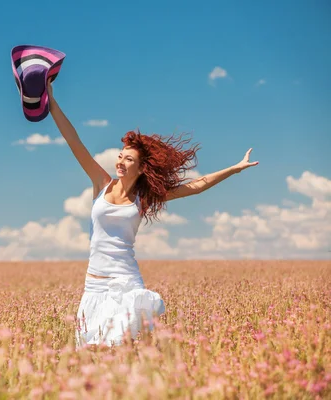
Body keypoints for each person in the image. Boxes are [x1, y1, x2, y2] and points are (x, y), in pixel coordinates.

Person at [45, 79, 259, 348]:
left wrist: (234, 169)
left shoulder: (143, 197)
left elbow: (196, 186)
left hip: (126, 284)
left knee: (123, 349)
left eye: (129, 159)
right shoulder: (101, 183)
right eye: (120, 156)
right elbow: (74, 140)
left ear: (141, 167)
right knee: (91, 352)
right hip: (94, 286)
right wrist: (51, 103)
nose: (121, 162)